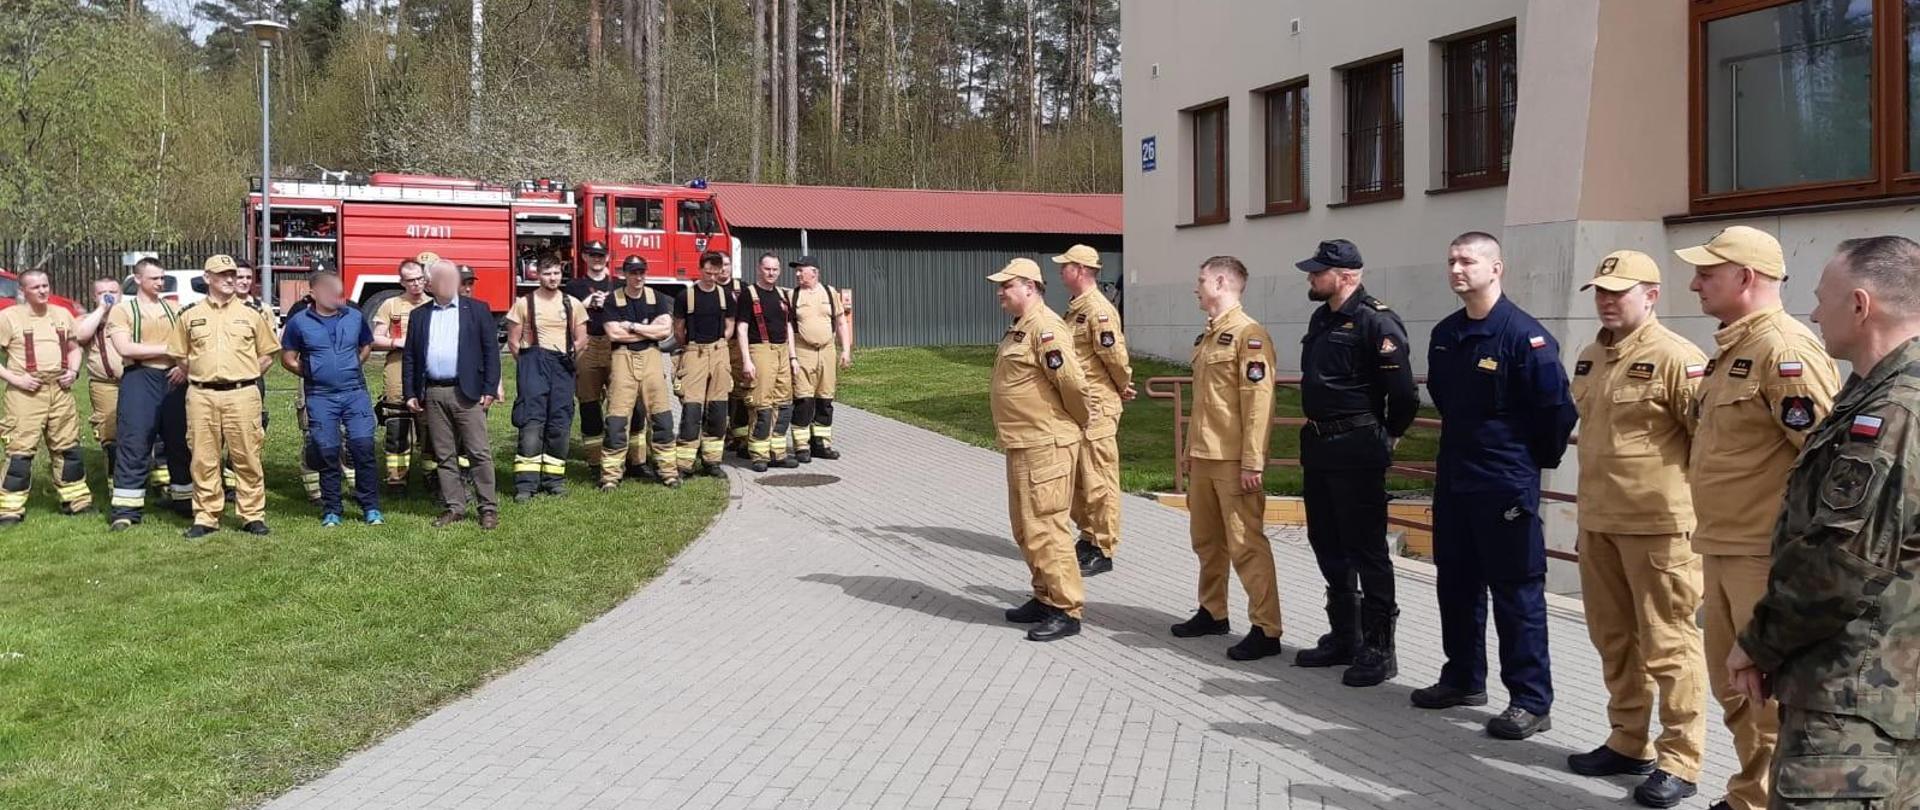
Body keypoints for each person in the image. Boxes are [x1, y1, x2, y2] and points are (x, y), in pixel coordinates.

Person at [1728, 235, 1920, 809]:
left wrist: (1758, 643)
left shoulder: (1892, 413)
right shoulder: (1873, 394)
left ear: (1860, 306)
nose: (1812, 313)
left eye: (1821, 298)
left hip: (1854, 709)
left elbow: (1840, 565)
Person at [1674, 225, 1841, 810]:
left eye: (1707, 273)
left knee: (1764, 692)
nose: (1694, 283)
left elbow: (1823, 457)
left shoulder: (1784, 349)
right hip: (1720, 545)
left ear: (1746, 278)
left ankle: (1764, 800)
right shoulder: (1733, 345)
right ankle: (1749, 791)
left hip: (1761, 553)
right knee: (1735, 689)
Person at [1565, 250, 1711, 808]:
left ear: (1651, 295)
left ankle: (1681, 759)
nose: (1606, 299)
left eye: (1618, 291)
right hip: (1600, 521)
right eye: (1600, 290)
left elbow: (1707, 442)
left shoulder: (1677, 357)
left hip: (1659, 529)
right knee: (1613, 640)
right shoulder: (1589, 358)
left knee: (1669, 644)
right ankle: (1628, 741)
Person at [1419, 231, 1577, 740]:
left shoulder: (1525, 337)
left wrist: (1527, 464)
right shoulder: (1446, 334)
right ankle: (1463, 677)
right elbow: (1447, 400)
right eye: (1451, 260)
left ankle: (1530, 700)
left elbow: (1555, 413)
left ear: (1497, 268)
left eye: (1467, 260)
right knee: (1456, 584)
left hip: (1505, 484)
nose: (1457, 269)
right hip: (1457, 480)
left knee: (1516, 591)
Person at [1293, 239, 1419, 687]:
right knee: (1326, 541)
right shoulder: (1323, 317)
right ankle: (1344, 635)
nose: (1310, 277)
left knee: (1367, 549)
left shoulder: (1376, 322)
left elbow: (1403, 394)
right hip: (1321, 446)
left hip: (1358, 446)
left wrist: (1391, 433)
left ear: (1347, 276)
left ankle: (1379, 648)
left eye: (1318, 272)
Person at [1171, 256, 1285, 661]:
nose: (1196, 287)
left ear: (1221, 282)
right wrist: (1188, 454)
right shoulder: (1208, 337)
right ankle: (1212, 611)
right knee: (1207, 542)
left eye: (1201, 280)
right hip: (1204, 456)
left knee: (1245, 544)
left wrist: (1253, 461)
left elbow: (1259, 404)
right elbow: (1206, 405)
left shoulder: (1248, 335)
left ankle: (1266, 628)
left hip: (1234, 460)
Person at [989, 257, 1092, 643]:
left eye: (1007, 285)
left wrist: (1075, 423)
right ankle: (1044, 595)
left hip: (1045, 442)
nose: (1001, 292)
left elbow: (1072, 385)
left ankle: (1066, 608)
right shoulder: (1021, 328)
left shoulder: (1047, 328)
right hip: (1022, 441)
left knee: (1047, 528)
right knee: (1026, 528)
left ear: (1029, 287)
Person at [168, 254, 279, 538]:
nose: (230, 279)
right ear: (207, 278)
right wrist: (202, 374)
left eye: (233, 274)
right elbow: (180, 356)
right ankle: (206, 516)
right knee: (203, 458)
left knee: (247, 456)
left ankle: (252, 514)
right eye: (222, 274)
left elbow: (268, 353)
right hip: (202, 396)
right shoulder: (190, 315)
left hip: (242, 394)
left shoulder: (251, 314)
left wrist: (248, 373)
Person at [1053, 244, 1133, 577]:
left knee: (1099, 478)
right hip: (1080, 405)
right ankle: (1088, 535)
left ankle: (1103, 546)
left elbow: (1114, 356)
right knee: (1080, 481)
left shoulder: (1099, 310)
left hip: (1098, 404)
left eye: (1066, 266)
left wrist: (1122, 384)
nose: (1060, 271)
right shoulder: (1076, 309)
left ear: (1082, 271)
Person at [403, 259, 501, 530]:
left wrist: (489, 389)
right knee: (444, 455)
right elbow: (410, 357)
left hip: (466, 392)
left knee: (478, 452)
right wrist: (411, 391)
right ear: (430, 284)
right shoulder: (420, 315)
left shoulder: (478, 310)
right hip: (433, 392)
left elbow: (492, 353)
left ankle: (488, 509)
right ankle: (455, 506)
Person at [280, 271, 381, 527]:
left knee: (363, 448)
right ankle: (332, 510)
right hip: (321, 397)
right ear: (313, 293)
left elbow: (366, 345)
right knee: (327, 451)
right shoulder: (299, 322)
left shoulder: (355, 316)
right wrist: (312, 373)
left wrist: (352, 365)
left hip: (354, 394)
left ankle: (370, 507)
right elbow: (288, 358)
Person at [104, 259, 194, 528]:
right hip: (140, 377)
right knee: (134, 441)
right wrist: (169, 350)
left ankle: (185, 501)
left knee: (179, 441)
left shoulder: (173, 308)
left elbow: (188, 345)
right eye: (154, 278)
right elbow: (126, 349)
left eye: (162, 278)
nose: (160, 282)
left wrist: (182, 366)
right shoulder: (123, 310)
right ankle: (125, 511)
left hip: (174, 379)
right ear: (138, 279)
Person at [0, 269, 90, 523]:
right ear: (23, 291)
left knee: (68, 448)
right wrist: (16, 379)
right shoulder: (8, 318)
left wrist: (73, 371)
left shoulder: (62, 314)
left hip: (60, 390)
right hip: (26, 393)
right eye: (36, 287)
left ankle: (76, 502)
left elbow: (74, 348)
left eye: (45, 285)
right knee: (20, 452)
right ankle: (9, 509)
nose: (42, 291)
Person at [505, 258, 588, 500]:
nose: (552, 278)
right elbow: (513, 341)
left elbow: (582, 339)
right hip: (533, 364)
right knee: (532, 423)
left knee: (560, 423)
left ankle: (554, 481)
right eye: (546, 273)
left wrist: (570, 355)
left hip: (562, 367)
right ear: (537, 276)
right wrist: (528, 365)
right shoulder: (523, 303)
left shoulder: (572, 304)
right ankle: (526, 485)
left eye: (556, 273)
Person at [599, 256, 678, 489]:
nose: (638, 277)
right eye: (633, 273)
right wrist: (649, 331)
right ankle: (611, 476)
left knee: (662, 416)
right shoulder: (613, 300)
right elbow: (614, 334)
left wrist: (633, 326)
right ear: (625, 274)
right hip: (622, 357)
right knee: (616, 419)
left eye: (642, 272)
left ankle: (668, 472)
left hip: (652, 357)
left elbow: (665, 331)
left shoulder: (657, 298)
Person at [371, 257, 433, 490]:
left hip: (428, 369)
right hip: (398, 365)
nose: (416, 284)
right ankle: (396, 479)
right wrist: (398, 342)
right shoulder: (391, 305)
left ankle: (432, 476)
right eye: (410, 280)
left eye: (419, 279)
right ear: (402, 282)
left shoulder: (435, 304)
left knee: (430, 425)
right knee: (398, 422)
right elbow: (375, 338)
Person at [673, 252, 736, 478]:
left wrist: (721, 343)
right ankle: (684, 464)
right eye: (707, 272)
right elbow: (678, 329)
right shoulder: (685, 296)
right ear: (700, 269)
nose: (711, 277)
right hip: (694, 352)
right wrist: (690, 347)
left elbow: (730, 325)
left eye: (715, 273)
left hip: (719, 353)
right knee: (692, 409)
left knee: (718, 410)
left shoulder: (725, 296)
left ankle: (712, 462)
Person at [735, 253, 799, 472]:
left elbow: (788, 328)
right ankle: (759, 454)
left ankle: (778, 453)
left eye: (775, 269)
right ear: (759, 269)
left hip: (782, 351)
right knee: (762, 405)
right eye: (767, 269)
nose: (771, 273)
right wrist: (746, 360)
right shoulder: (748, 294)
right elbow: (741, 328)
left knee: (783, 404)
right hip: (760, 350)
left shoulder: (783, 295)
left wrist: (793, 357)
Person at [786, 255, 852, 464]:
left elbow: (841, 322)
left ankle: (821, 443)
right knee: (804, 399)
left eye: (801, 270)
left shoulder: (829, 293)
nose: (797, 274)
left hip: (827, 351)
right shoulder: (792, 296)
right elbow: (788, 328)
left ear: (814, 272)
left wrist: (846, 350)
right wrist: (792, 356)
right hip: (803, 351)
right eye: (796, 271)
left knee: (825, 399)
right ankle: (801, 446)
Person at [567, 241, 620, 469]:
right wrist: (585, 304)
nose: (597, 259)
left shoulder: (618, 284)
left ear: (607, 257)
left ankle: (625, 455)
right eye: (592, 255)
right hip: (587, 344)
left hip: (615, 345)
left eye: (601, 255)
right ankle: (595, 459)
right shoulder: (574, 286)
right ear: (584, 257)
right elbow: (565, 315)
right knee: (589, 403)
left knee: (622, 401)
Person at [71, 277, 124, 470]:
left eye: (113, 292)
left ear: (121, 294)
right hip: (105, 383)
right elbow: (80, 335)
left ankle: (152, 478)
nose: (109, 296)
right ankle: (115, 478)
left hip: (135, 380)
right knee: (109, 430)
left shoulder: (131, 315)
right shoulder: (86, 319)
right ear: (94, 297)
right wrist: (102, 309)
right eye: (103, 293)